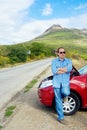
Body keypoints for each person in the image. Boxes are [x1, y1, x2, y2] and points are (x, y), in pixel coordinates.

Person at [51, 47, 72, 124]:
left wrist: (59, 69)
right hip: (56, 83)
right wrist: (64, 70)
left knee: (66, 93)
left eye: (64, 52)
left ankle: (65, 97)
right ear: (58, 53)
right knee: (58, 100)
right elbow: (54, 71)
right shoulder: (54, 61)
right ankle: (61, 117)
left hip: (65, 83)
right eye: (61, 52)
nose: (63, 54)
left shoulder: (69, 61)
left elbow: (69, 69)